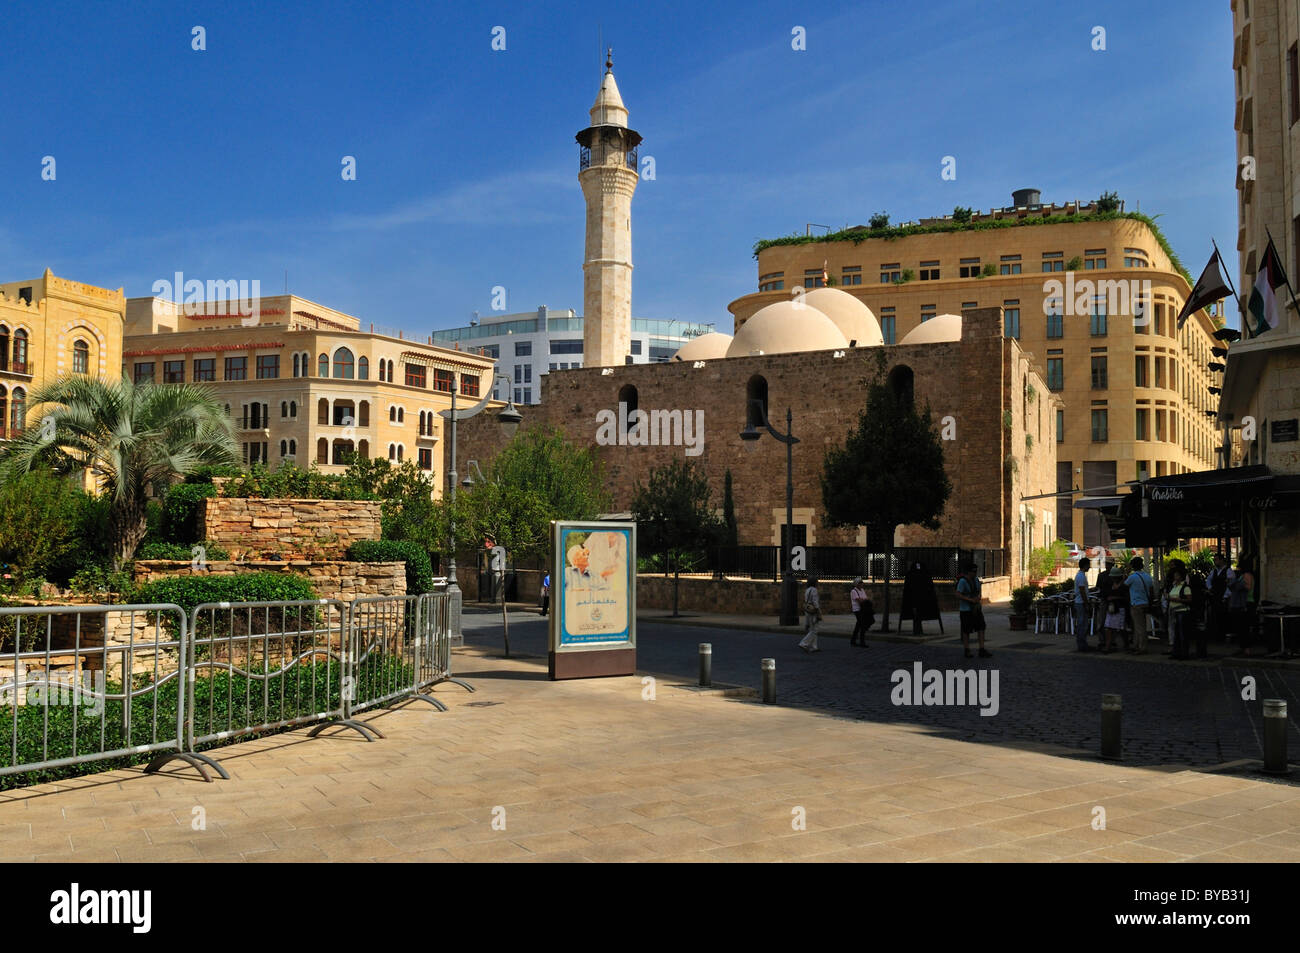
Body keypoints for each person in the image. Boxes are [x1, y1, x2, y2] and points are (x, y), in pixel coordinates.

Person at [955, 562, 991, 659]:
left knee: (981, 628)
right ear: (968, 572)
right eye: (973, 571)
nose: (975, 573)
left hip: (976, 609)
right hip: (966, 610)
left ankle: (981, 649)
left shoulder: (976, 580)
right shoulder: (962, 581)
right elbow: (958, 594)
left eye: (976, 571)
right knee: (966, 630)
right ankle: (967, 650)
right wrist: (970, 600)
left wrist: (978, 597)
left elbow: (978, 591)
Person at [1124, 556, 1156, 655]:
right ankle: (1136, 645)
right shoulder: (1147, 576)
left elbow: (1124, 586)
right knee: (1140, 626)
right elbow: (1151, 592)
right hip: (1145, 603)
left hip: (1136, 604)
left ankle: (1142, 648)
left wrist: (1126, 572)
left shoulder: (1132, 577)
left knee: (1139, 628)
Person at [1228, 557, 1259, 656]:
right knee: (1242, 627)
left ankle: (1246, 649)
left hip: (1245, 603)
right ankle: (1244, 647)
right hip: (1244, 603)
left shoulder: (1246, 575)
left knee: (1243, 627)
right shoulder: (1245, 575)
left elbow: (1248, 587)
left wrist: (1237, 585)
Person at [900, 561, 939, 635]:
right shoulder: (925, 574)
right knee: (917, 614)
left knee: (916, 614)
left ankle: (917, 630)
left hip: (915, 599)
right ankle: (918, 630)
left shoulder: (911, 574)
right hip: (921, 599)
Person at [1165, 563, 1193, 660]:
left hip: (1182, 611)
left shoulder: (1185, 587)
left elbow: (1189, 600)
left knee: (1182, 634)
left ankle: (1184, 653)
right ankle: (1176, 652)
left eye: (1177, 575)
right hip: (1174, 612)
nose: (1175, 577)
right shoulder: (1174, 586)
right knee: (1176, 633)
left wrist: (1178, 600)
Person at [1206, 553, 1234, 646]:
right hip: (1215, 596)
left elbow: (1230, 585)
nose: (1215, 561)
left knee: (1225, 617)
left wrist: (1226, 596)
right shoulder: (1213, 571)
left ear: (1222, 560)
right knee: (1215, 616)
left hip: (1224, 597)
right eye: (1214, 560)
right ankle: (1217, 635)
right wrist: (1210, 588)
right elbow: (1208, 580)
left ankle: (1225, 635)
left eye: (1217, 559)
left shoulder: (1228, 571)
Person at [1073, 556, 1093, 652]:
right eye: (1089, 565)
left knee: (1083, 624)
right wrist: (1086, 603)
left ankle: (1082, 644)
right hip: (1081, 603)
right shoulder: (1081, 576)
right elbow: (1082, 591)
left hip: (1080, 602)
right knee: (1082, 624)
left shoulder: (1081, 575)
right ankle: (1082, 645)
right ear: (1085, 565)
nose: (1090, 567)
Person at [799, 577, 822, 653]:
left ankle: (814, 647)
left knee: (812, 628)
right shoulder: (814, 590)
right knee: (814, 630)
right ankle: (803, 643)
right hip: (813, 610)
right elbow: (815, 602)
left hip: (808, 609)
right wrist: (818, 611)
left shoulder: (807, 590)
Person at [849, 576, 872, 647]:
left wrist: (863, 600)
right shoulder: (853, 591)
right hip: (857, 610)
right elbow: (860, 600)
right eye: (860, 583)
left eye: (862, 582)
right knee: (862, 625)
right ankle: (862, 642)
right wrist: (864, 600)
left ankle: (853, 640)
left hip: (862, 610)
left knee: (858, 625)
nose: (862, 584)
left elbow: (865, 599)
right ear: (856, 584)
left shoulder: (862, 590)